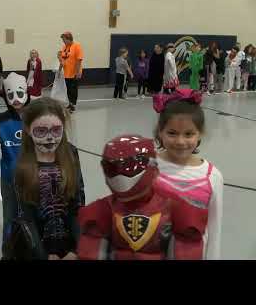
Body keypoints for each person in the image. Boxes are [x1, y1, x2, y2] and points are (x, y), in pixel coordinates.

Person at [78, 134, 210, 260]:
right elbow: (91, 253)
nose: (120, 174)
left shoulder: (178, 210)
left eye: (129, 166)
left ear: (153, 168)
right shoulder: (102, 210)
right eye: (112, 167)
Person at [9, 97, 85, 260]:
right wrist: (43, 256)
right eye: (41, 131)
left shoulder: (71, 155)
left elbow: (77, 206)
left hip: (70, 245)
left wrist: (77, 249)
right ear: (28, 130)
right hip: (36, 246)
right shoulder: (21, 167)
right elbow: (25, 218)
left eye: (56, 130)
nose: (50, 138)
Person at [152, 89, 223, 259]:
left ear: (200, 134)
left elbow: (214, 231)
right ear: (160, 132)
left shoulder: (212, 177)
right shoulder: (149, 167)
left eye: (189, 134)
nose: (180, 141)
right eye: (172, 133)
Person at [0, 72, 31, 258]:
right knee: (10, 218)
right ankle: (8, 253)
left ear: (26, 92)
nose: (16, 100)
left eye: (20, 94)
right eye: (11, 96)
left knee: (35, 217)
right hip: (10, 181)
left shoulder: (36, 117)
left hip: (35, 178)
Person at [58, 31, 84, 113]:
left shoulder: (77, 46)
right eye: (63, 40)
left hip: (74, 72)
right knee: (68, 90)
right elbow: (62, 59)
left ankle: (73, 105)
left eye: (64, 39)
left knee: (73, 89)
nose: (63, 41)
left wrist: (77, 72)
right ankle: (70, 103)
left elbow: (79, 60)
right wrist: (59, 70)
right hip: (66, 73)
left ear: (69, 38)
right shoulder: (64, 47)